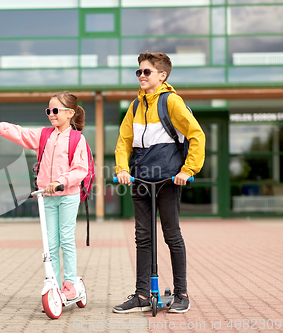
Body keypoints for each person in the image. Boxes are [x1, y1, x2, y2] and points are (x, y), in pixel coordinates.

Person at [113, 52, 206, 313]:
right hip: (140, 178)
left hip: (168, 179)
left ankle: (182, 293)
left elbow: (197, 135)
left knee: (171, 235)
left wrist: (188, 170)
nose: (141, 76)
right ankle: (142, 294)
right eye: (138, 72)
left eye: (146, 72)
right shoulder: (135, 106)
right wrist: (121, 168)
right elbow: (123, 142)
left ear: (162, 75)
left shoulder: (172, 102)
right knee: (143, 237)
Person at [0, 91, 89, 301]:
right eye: (49, 110)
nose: (51, 114)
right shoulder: (45, 135)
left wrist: (60, 182)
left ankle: (69, 284)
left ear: (70, 113)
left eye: (55, 110)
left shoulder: (77, 139)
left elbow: (80, 169)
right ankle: (54, 286)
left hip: (67, 196)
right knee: (50, 242)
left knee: (66, 239)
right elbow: (21, 134)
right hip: (46, 197)